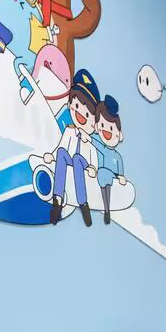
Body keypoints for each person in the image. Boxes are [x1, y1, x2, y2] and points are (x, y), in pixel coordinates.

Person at [43, 69, 100, 226]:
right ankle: (57, 200)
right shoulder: (69, 131)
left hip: (82, 164)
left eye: (87, 114)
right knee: (63, 153)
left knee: (77, 159)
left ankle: (83, 204)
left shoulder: (89, 142)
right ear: (70, 105)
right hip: (70, 161)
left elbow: (93, 159)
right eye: (76, 106)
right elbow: (61, 147)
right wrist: (52, 155)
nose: (80, 114)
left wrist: (93, 168)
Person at [92, 94, 125, 225]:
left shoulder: (116, 156)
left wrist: (121, 176)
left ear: (119, 135)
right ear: (97, 127)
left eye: (111, 128)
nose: (107, 131)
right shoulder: (100, 146)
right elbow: (93, 141)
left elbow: (120, 169)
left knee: (105, 180)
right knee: (102, 177)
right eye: (103, 125)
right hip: (101, 174)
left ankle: (107, 209)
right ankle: (106, 209)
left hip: (111, 177)